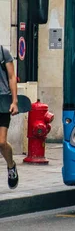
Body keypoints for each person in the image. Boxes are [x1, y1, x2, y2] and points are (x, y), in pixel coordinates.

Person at [0, 45, 19, 189]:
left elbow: (12, 77)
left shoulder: (3, 52)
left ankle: (11, 166)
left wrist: (14, 101)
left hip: (3, 102)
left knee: (1, 142)